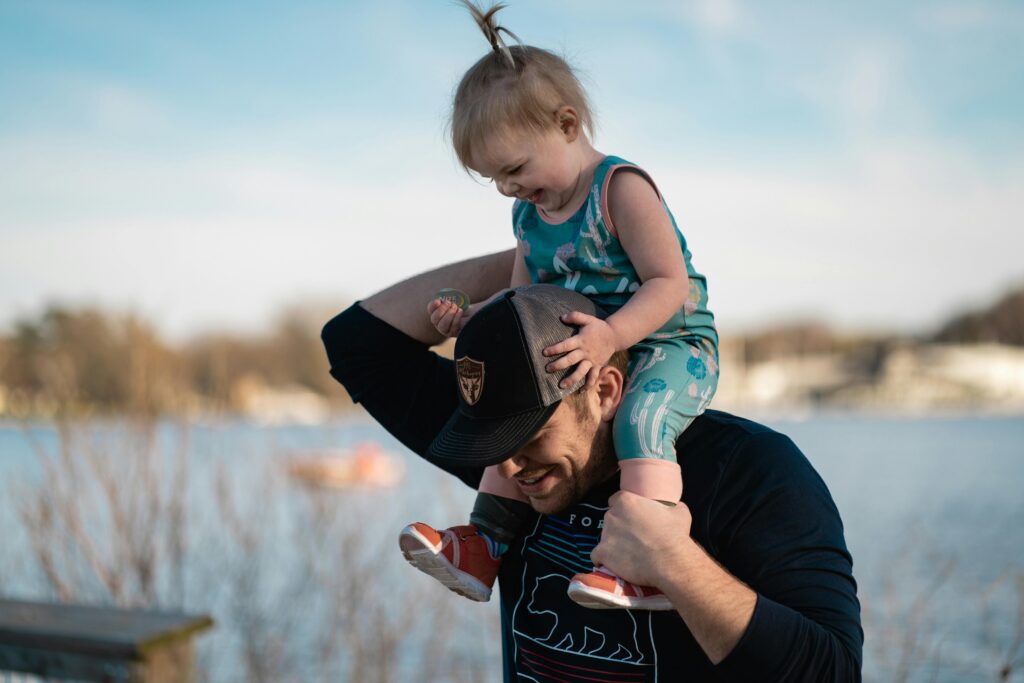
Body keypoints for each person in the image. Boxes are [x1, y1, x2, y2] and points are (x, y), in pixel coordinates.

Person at [321, 252, 863, 680]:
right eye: (491, 441)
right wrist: (541, 254)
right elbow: (356, 344)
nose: (507, 466)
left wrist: (675, 564)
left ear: (604, 390)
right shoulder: (512, 473)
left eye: (527, 435)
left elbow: (833, 672)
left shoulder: (751, 470)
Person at [413, 0, 720, 610]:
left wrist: (611, 335)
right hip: (594, 349)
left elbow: (670, 283)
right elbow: (525, 298)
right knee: (513, 405)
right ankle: (484, 547)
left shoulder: (620, 190)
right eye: (494, 178)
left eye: (516, 168)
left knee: (640, 421)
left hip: (670, 346)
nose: (509, 188)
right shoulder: (529, 215)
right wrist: (474, 314)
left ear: (568, 124)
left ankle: (651, 564)